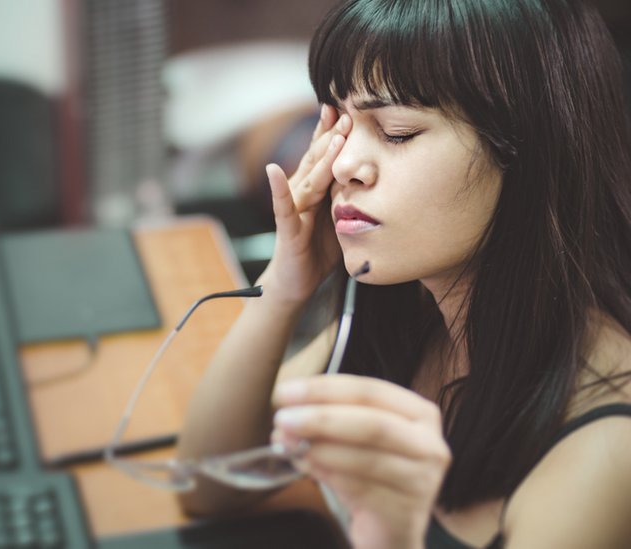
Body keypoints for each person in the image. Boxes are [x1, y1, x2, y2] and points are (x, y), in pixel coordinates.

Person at [175, 0, 631, 547]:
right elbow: (207, 485)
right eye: (340, 122)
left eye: (395, 132)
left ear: (529, 156)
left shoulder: (608, 450)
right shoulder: (410, 311)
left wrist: (392, 535)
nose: (343, 165)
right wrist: (284, 286)